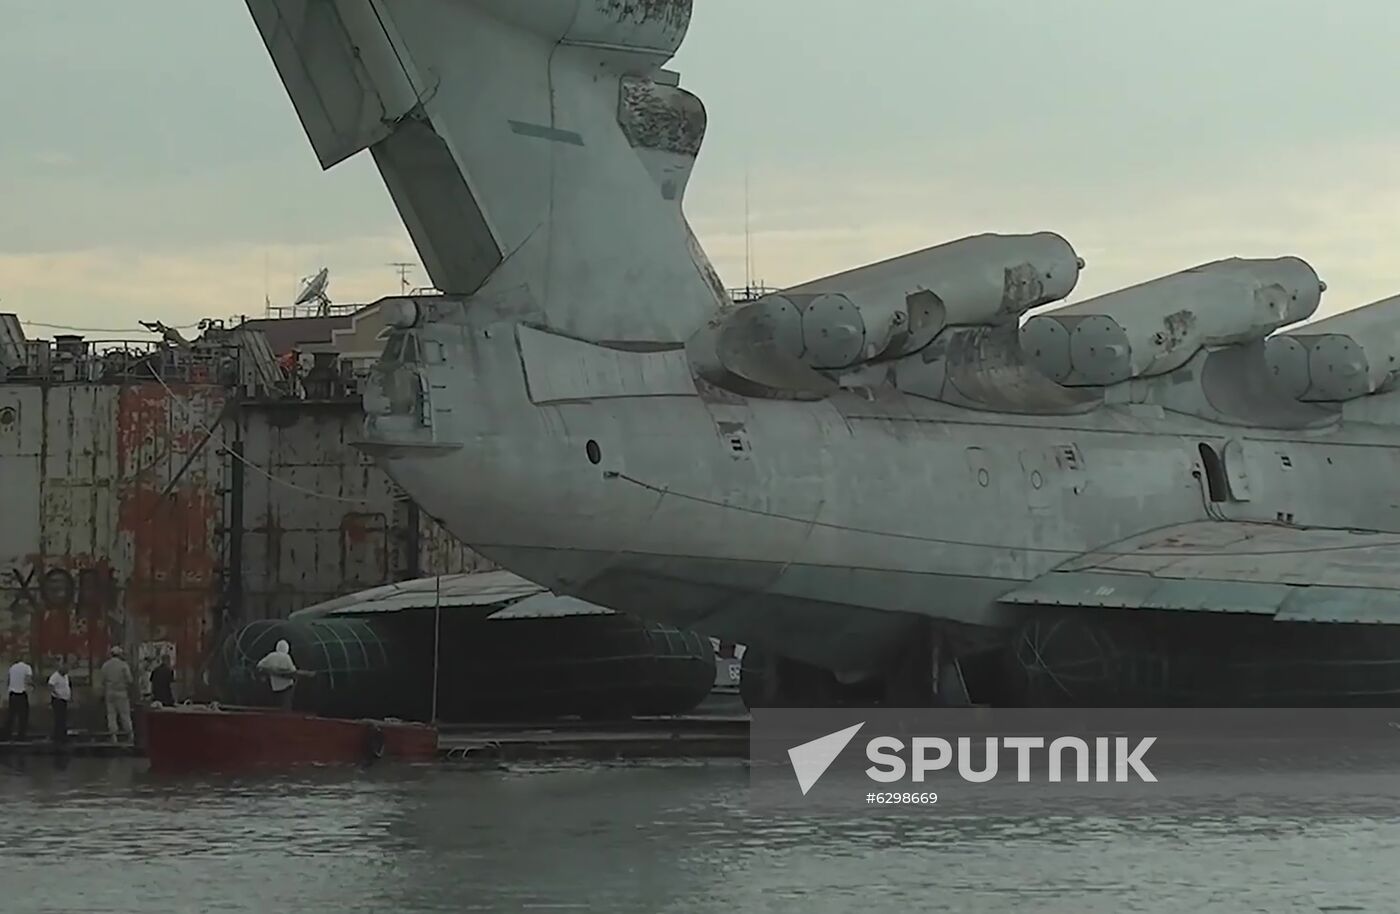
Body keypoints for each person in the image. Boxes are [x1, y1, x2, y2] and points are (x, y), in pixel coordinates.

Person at [255, 640, 313, 711]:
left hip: (275, 685)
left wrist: (271, 670)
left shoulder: (271, 656)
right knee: (287, 701)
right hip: (286, 685)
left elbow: (259, 665)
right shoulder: (286, 657)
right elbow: (293, 671)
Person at [99, 646, 134, 743]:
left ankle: (113, 737)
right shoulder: (123, 665)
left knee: (111, 715)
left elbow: (102, 681)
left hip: (109, 692)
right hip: (121, 692)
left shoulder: (105, 665)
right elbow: (130, 680)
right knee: (125, 715)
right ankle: (130, 735)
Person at [2, 657, 33, 740]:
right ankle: (21, 735)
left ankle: (6, 734)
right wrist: (32, 686)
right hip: (21, 694)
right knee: (23, 716)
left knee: (11, 715)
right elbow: (28, 680)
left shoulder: (12, 667)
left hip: (12, 694)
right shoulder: (27, 667)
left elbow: (8, 681)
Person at [48, 662, 71, 745]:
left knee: (63, 718)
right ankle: (58, 736)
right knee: (59, 718)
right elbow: (50, 686)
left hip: (64, 699)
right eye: (66, 670)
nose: (67, 672)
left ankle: (62, 735)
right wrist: (56, 694)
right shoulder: (55, 676)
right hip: (57, 699)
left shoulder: (65, 676)